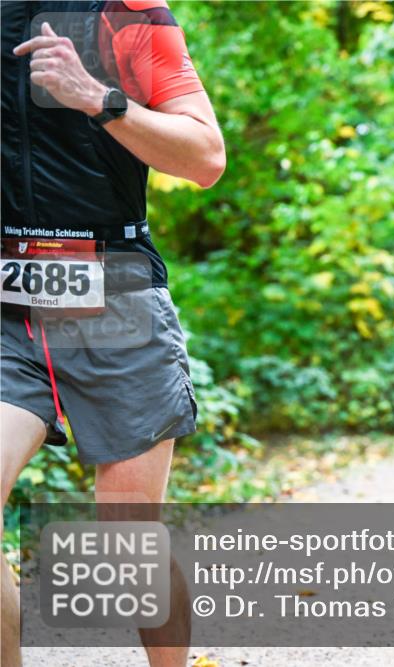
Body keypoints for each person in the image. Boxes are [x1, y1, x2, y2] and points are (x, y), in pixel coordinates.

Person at [2, 2, 225, 666]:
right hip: (9, 312)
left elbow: (206, 157)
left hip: (117, 301)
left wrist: (98, 99)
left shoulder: (125, 12)